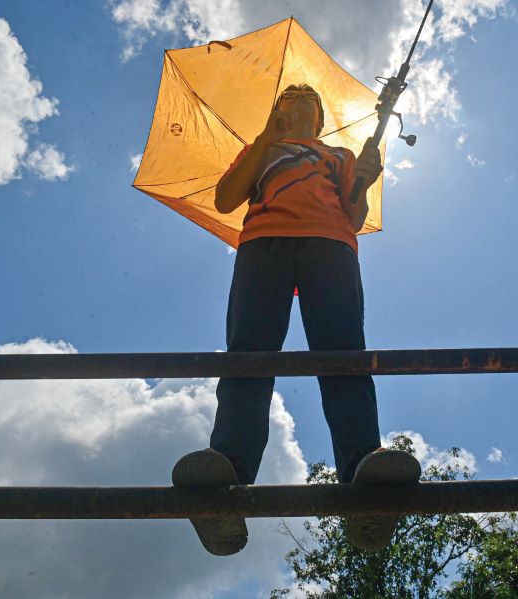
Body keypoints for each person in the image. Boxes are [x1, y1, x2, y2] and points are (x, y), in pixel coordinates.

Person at [172, 84, 420, 555]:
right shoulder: (261, 149)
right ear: (278, 112)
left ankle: (363, 466)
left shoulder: (340, 155)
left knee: (343, 352)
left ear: (320, 118)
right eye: (288, 96)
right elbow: (226, 199)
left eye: (307, 97)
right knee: (249, 353)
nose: (299, 96)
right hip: (262, 244)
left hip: (332, 245)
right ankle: (228, 467)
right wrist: (266, 138)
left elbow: (354, 215)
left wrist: (364, 182)